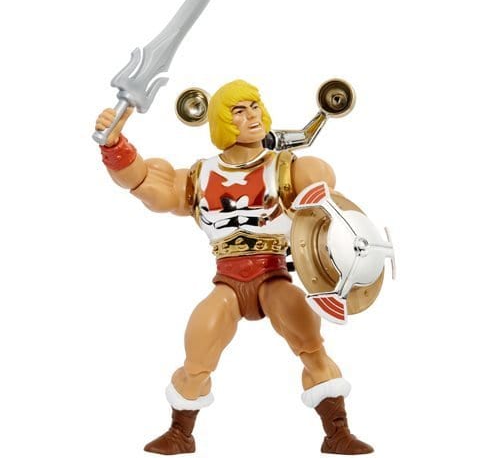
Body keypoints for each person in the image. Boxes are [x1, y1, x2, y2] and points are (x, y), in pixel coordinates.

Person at [95, 79, 373, 455]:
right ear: (222, 121)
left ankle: (337, 432)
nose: (252, 116)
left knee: (311, 347)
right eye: (239, 111)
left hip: (273, 274)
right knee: (197, 357)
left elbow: (328, 204)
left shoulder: (287, 168)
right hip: (228, 280)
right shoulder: (199, 176)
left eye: (255, 106)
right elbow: (146, 183)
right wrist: (115, 145)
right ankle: (180, 433)